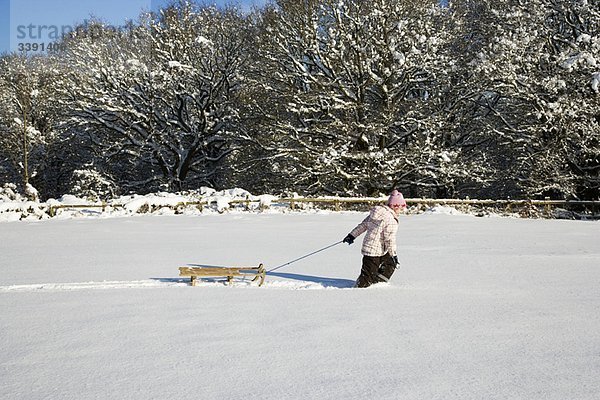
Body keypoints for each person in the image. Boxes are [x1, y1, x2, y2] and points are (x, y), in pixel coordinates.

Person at [343, 190, 407, 288]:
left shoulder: (377, 213)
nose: (402, 210)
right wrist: (394, 255)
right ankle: (360, 288)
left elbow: (363, 225)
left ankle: (377, 284)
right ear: (395, 206)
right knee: (368, 275)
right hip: (373, 252)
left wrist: (352, 235)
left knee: (389, 263)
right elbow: (389, 239)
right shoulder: (391, 220)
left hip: (377, 249)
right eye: (401, 207)